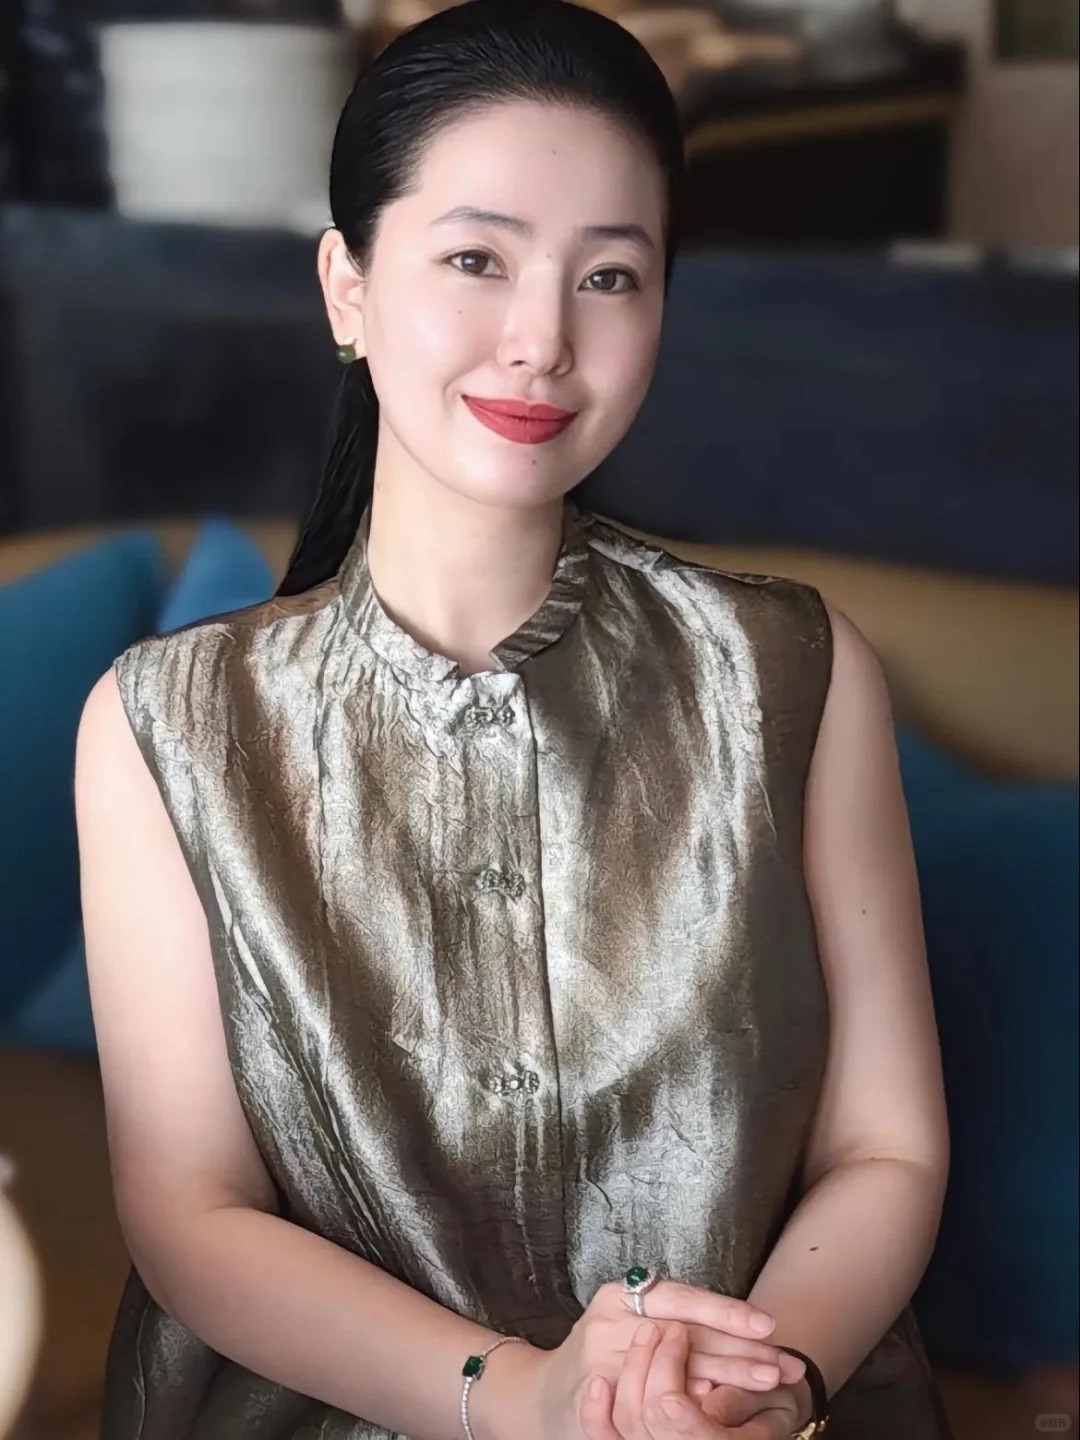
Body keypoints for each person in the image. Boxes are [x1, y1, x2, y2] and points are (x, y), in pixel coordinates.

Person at [74, 3, 952, 1436]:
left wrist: (746, 1384)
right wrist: (525, 1400)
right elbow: (189, 1213)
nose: (542, 341)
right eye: (476, 259)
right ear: (348, 287)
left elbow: (887, 1149)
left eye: (610, 276)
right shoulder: (161, 725)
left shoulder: (794, 672)